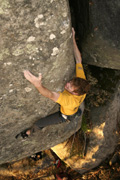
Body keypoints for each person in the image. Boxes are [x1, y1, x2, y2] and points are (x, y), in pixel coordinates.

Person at [16, 28, 90, 139]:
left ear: (75, 93)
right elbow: (78, 60)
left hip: (65, 115)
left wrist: (37, 84)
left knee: (39, 123)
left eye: (69, 87)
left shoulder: (68, 100)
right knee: (76, 110)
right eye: (70, 81)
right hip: (73, 108)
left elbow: (49, 94)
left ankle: (27, 134)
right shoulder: (80, 84)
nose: (68, 84)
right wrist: (73, 39)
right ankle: (77, 112)